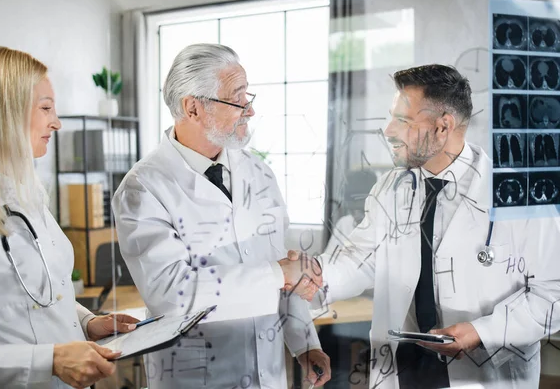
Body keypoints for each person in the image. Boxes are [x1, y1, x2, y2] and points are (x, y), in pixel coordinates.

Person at [291, 64, 560, 388]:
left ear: (443, 126)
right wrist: (317, 276)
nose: (389, 130)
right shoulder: (391, 187)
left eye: (402, 120)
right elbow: (359, 259)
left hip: (484, 373)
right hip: (404, 368)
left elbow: (553, 292)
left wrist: (481, 331)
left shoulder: (521, 192)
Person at [112, 43, 329, 389]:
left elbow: (281, 269)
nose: (250, 110)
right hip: (198, 377)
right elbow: (173, 295)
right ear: (193, 108)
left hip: (269, 374)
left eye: (248, 96)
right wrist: (277, 272)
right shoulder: (144, 189)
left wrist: (304, 343)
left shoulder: (258, 172)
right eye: (237, 98)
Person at [0, 46, 140, 389]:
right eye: (45, 108)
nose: (56, 123)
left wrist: (87, 322)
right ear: (3, 113)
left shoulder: (28, 198)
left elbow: (37, 297)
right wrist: (51, 359)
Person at [323, 168, 378, 257]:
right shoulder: (344, 224)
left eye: (360, 210)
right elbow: (329, 257)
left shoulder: (382, 227)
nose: (356, 215)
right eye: (352, 210)